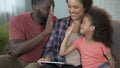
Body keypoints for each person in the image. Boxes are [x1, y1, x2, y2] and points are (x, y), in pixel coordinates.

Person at [0, 0, 57, 68]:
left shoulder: (56, 23)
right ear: (35, 7)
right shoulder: (18, 20)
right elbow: (16, 50)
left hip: (38, 63)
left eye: (53, 8)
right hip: (16, 60)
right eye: (48, 8)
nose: (52, 12)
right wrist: (45, 32)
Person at [38, 0, 93, 68]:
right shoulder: (60, 23)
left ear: (85, 8)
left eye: (75, 7)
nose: (71, 11)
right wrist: (47, 58)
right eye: (69, 7)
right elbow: (49, 47)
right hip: (59, 64)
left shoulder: (91, 27)